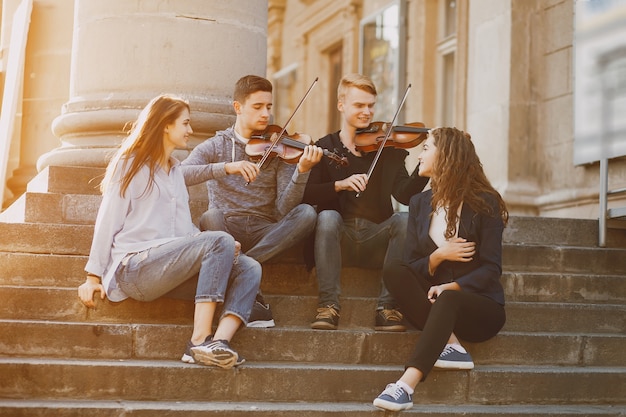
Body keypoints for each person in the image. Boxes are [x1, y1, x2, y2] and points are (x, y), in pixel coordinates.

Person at [78, 94, 262, 370]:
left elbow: (181, 230)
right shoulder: (130, 164)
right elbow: (107, 220)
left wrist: (222, 248)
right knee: (219, 241)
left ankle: (217, 344)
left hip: (168, 269)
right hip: (135, 267)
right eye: (185, 123)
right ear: (165, 125)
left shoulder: (176, 172)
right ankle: (199, 339)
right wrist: (93, 276)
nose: (190, 130)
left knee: (249, 267)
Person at [372, 127, 508, 411]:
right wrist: (438, 256)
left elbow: (491, 270)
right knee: (394, 269)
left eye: (426, 148)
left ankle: (405, 386)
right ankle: (451, 344)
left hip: (479, 308)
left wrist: (451, 287)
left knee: (448, 299)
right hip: (435, 305)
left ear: (445, 155)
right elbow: (413, 265)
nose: (420, 155)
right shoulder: (420, 203)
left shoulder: (485, 202)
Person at [181, 75, 324, 327]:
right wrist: (226, 167)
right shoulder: (217, 145)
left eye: (268, 107)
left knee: (307, 214)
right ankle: (247, 285)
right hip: (226, 228)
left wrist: (302, 172)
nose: (265, 114)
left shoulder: (281, 148)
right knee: (210, 217)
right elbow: (180, 174)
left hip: (265, 230)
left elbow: (284, 209)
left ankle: (239, 267)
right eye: (257, 107)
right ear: (238, 108)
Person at [302, 73, 429, 331]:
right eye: (359, 105)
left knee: (404, 220)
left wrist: (422, 170)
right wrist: (340, 184)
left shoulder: (388, 148)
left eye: (371, 105)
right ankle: (328, 306)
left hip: (376, 239)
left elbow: (404, 196)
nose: (367, 112)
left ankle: (387, 308)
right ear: (342, 105)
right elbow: (306, 195)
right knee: (326, 217)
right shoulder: (325, 147)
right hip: (339, 240)